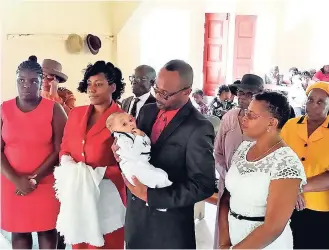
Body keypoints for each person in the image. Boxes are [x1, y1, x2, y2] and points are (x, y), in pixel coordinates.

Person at [112, 59, 215, 249]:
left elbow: (204, 185)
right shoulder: (147, 111)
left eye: (165, 94)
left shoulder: (198, 127)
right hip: (137, 221)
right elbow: (137, 150)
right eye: (156, 90)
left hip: (170, 230)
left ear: (186, 92)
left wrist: (152, 196)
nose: (158, 97)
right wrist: (120, 152)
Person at [218, 91, 306, 249]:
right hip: (234, 235)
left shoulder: (286, 163)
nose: (244, 118)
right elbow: (226, 198)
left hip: (265, 244)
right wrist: (224, 243)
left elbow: (273, 228)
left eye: (252, 115)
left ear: (272, 123)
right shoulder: (244, 148)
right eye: (246, 112)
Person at [1, 56, 67, 249]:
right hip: (11, 182)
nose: (26, 85)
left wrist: (34, 179)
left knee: (47, 230)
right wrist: (16, 179)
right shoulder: (3, 109)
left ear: (40, 83)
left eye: (33, 81)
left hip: (45, 182)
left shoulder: (54, 109)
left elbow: (60, 150)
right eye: (21, 80)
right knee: (19, 232)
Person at [60, 61, 126, 249]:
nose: (92, 89)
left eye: (99, 84)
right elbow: (65, 147)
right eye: (89, 84)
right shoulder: (76, 114)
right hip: (78, 195)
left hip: (107, 196)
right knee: (79, 243)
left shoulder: (123, 120)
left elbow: (128, 166)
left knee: (106, 244)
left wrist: (96, 173)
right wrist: (70, 166)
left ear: (113, 87)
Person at [213, 74, 264, 249]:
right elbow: (218, 152)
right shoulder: (229, 117)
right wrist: (227, 176)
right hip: (227, 186)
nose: (242, 96)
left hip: (254, 192)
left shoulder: (267, 123)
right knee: (224, 232)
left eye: (249, 93)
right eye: (240, 92)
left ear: (260, 95)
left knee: (248, 234)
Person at [280, 81, 329, 249]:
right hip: (286, 203)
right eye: (310, 99)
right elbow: (279, 160)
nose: (313, 105)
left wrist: (298, 188)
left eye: (320, 102)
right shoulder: (291, 126)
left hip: (320, 209)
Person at [106, 112, 172, 189]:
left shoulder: (134, 134)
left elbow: (147, 144)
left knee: (161, 175)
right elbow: (134, 154)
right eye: (124, 124)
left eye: (130, 120)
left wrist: (143, 135)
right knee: (159, 178)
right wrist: (139, 138)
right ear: (114, 130)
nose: (130, 124)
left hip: (143, 164)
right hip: (134, 169)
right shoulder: (122, 140)